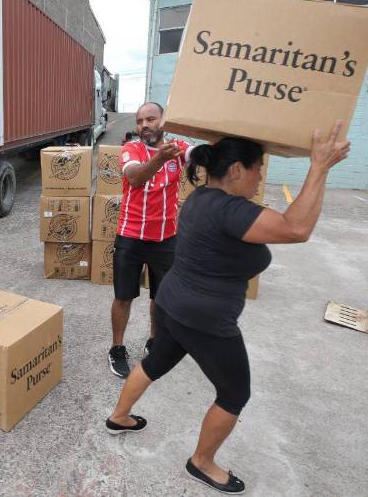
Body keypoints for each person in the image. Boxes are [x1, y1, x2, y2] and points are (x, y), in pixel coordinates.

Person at [105, 123, 350, 494]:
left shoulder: (201, 198)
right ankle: (201, 462)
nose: (260, 178)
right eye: (258, 170)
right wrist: (318, 167)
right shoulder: (229, 210)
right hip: (205, 317)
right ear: (236, 169)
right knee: (235, 394)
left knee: (154, 364)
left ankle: (119, 417)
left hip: (172, 303)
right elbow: (297, 228)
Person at [108, 102, 192, 378]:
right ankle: (117, 348)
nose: (145, 125)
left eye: (151, 119)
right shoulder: (131, 149)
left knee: (161, 298)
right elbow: (134, 178)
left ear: (163, 121)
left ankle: (155, 342)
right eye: (140, 121)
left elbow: (199, 154)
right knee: (123, 296)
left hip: (166, 239)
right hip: (131, 237)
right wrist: (159, 159)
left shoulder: (177, 146)